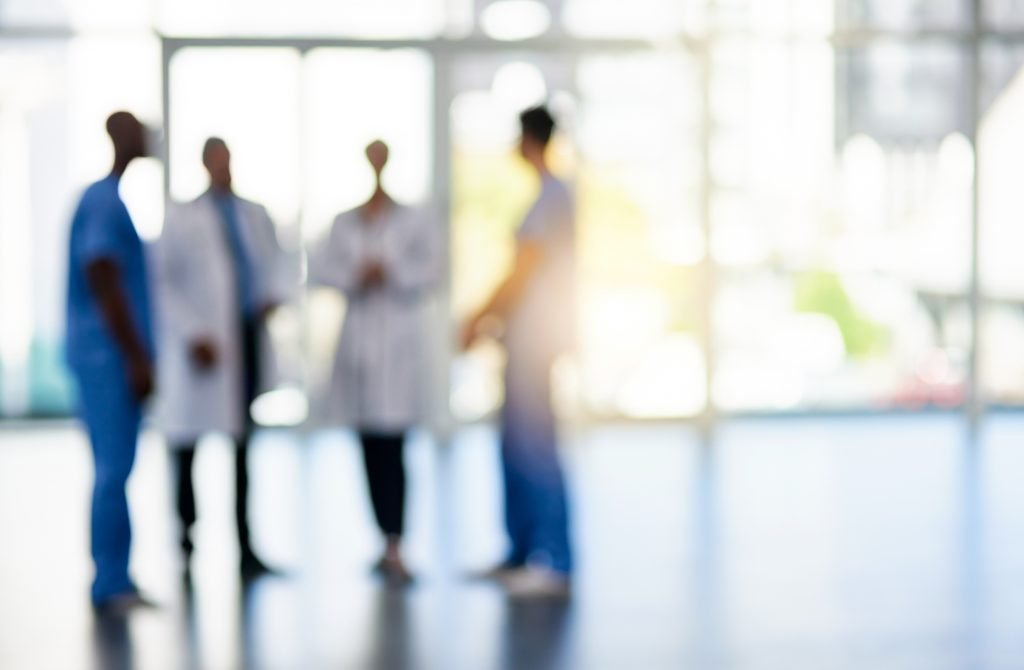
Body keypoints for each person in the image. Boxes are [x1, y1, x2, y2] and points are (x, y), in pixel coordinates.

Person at [156, 137, 288, 580]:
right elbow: (164, 284)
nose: (222, 168)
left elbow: (271, 266)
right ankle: (186, 545)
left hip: (244, 338)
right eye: (215, 161)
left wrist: (271, 298)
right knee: (187, 449)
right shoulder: (181, 217)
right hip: (203, 346)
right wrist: (194, 333)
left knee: (243, 448)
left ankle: (246, 546)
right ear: (204, 164)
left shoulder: (253, 214)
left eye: (227, 160)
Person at [309, 140, 440, 584]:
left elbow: (434, 270)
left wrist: (393, 271)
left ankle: (396, 542)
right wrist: (355, 275)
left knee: (395, 450)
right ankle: (384, 540)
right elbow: (323, 271)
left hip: (398, 346)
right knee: (368, 449)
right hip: (360, 348)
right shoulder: (346, 220)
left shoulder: (414, 219)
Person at [460, 105, 576, 599]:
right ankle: (520, 551)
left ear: (529, 139)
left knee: (535, 447)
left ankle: (554, 560)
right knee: (514, 445)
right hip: (523, 337)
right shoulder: (545, 195)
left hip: (537, 338)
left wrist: (477, 316)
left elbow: (524, 269)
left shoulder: (553, 196)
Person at [66, 111, 156, 613]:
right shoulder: (103, 202)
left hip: (102, 355)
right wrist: (136, 356)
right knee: (113, 468)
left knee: (114, 467)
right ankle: (110, 579)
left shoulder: (106, 200)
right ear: (121, 135)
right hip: (107, 358)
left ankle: (115, 575)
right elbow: (103, 275)